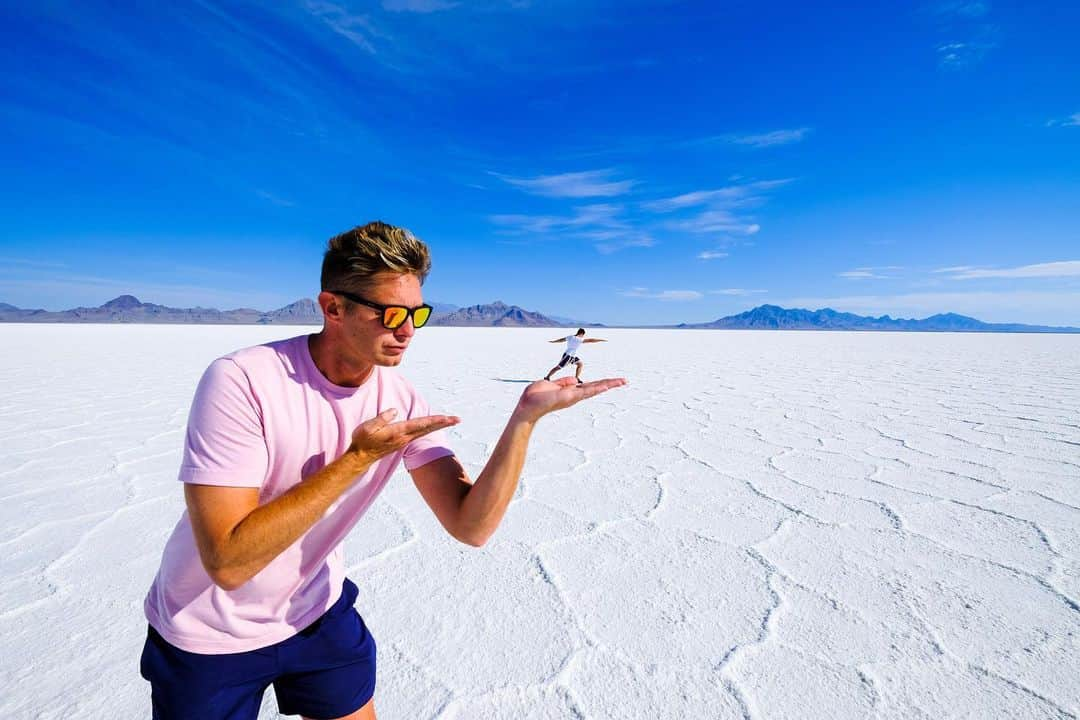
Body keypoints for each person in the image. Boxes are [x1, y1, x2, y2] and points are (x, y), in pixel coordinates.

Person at [140, 221, 627, 720]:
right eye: (391, 313)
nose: (408, 330)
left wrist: (524, 419)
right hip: (208, 633)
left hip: (316, 612)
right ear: (333, 307)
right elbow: (228, 563)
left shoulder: (398, 398)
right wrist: (357, 460)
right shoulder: (243, 381)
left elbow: (470, 525)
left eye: (418, 313)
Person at [543, 328, 607, 384]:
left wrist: (554, 341)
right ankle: (547, 377)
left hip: (572, 356)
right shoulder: (579, 339)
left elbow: (561, 340)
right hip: (568, 356)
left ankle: (577, 378)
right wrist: (601, 340)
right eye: (583, 335)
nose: (583, 336)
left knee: (580, 364)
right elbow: (591, 340)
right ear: (581, 333)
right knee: (558, 367)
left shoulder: (570, 337)